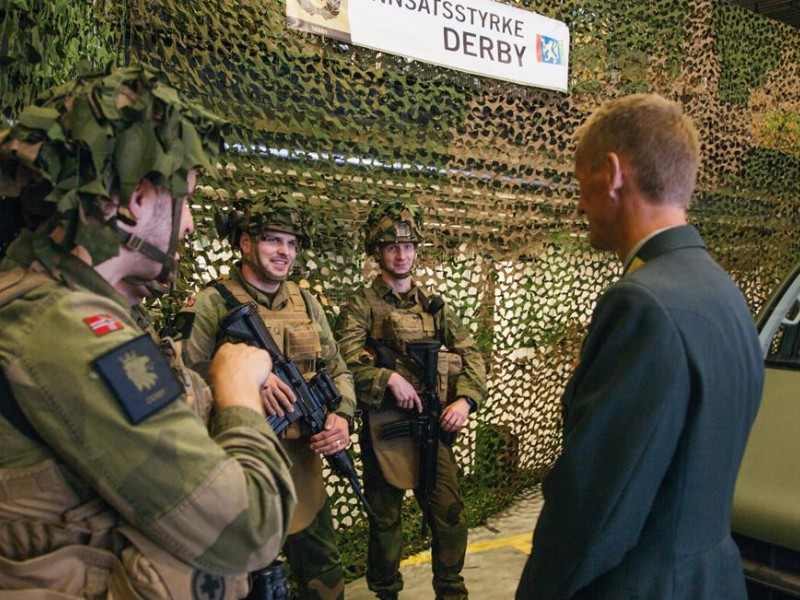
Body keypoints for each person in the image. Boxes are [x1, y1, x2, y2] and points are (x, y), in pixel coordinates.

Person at [0, 64, 297, 599]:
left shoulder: (59, 304)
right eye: (184, 199)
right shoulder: (67, 328)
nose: (187, 226)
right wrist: (237, 391)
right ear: (139, 199)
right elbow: (249, 527)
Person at [516, 93, 765, 599]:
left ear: (611, 173)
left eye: (580, 180)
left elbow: (596, 506)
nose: (580, 203)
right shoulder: (722, 290)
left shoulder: (642, 304)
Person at [176, 194, 356, 600]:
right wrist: (242, 381)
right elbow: (180, 381)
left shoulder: (306, 301)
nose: (284, 252)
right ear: (245, 243)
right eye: (274, 240)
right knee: (248, 582)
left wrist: (342, 415)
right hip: (239, 466)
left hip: (303, 466)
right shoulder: (211, 302)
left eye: (292, 243)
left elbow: (337, 368)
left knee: (325, 578)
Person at [336, 200, 487, 600]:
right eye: (391, 247)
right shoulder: (361, 305)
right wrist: (386, 379)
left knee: (450, 514)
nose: (401, 255)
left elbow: (472, 355)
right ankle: (386, 592)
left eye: (407, 246)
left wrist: (465, 401)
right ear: (376, 253)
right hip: (384, 428)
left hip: (432, 426)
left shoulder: (434, 307)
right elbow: (342, 363)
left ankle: (451, 591)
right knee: (385, 522)